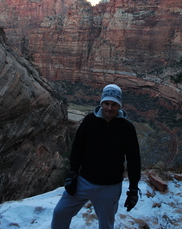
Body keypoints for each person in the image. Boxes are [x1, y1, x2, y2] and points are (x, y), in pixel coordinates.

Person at [51, 84, 141, 229]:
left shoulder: (127, 128)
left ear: (119, 106)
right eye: (106, 103)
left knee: (106, 225)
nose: (109, 108)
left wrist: (133, 189)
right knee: (60, 212)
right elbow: (77, 148)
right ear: (101, 103)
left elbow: (134, 160)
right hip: (83, 181)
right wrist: (72, 173)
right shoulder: (89, 121)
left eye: (114, 104)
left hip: (110, 187)